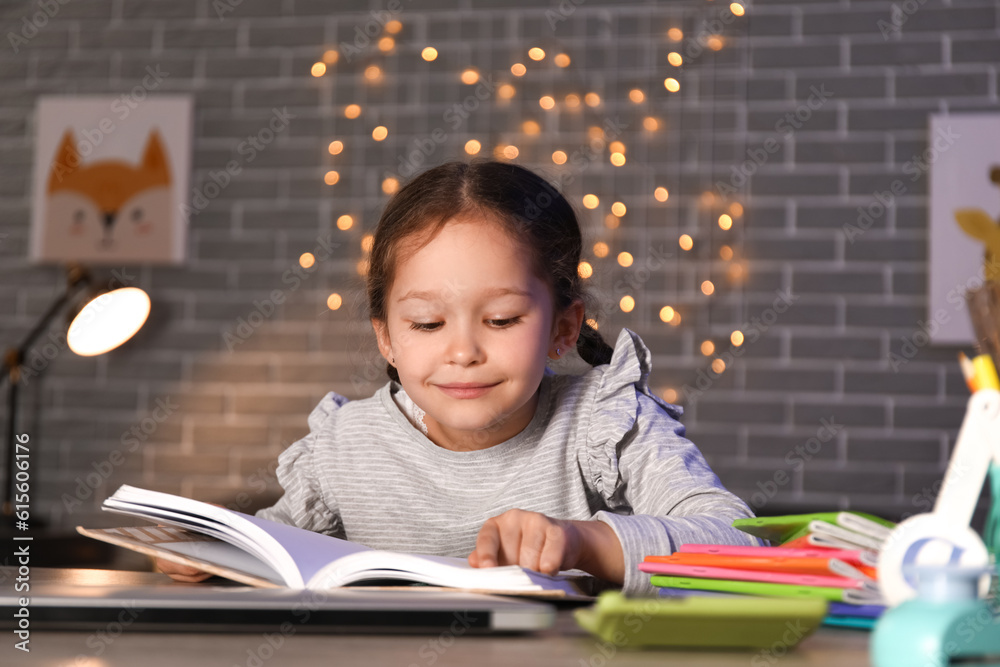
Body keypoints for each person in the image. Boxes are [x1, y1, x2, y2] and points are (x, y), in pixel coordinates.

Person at [157, 160, 759, 594]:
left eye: (501, 319)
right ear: (386, 337)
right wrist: (212, 550)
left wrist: (583, 543)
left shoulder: (605, 422)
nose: (463, 351)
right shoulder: (348, 446)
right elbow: (275, 548)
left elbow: (738, 545)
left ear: (563, 328)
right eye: (425, 323)